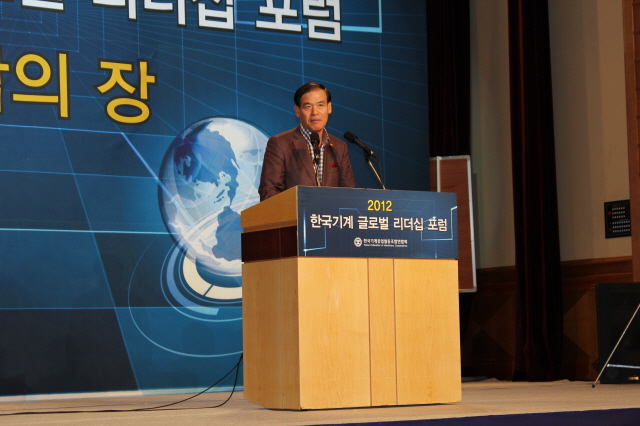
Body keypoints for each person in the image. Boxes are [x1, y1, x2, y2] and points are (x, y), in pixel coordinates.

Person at [258, 82, 356, 201]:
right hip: (294, 212)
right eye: (308, 106)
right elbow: (269, 192)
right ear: (297, 111)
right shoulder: (280, 144)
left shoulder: (339, 147)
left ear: (329, 107)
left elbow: (348, 193)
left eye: (320, 105)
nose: (315, 112)